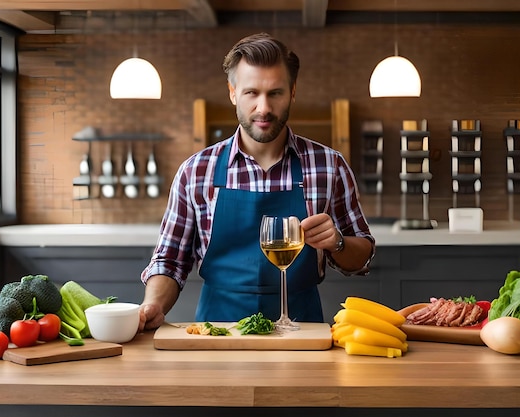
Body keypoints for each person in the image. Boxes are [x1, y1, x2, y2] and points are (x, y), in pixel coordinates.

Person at [138, 32, 375, 330]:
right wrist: (153, 305)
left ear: (292, 92)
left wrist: (338, 242)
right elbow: (169, 262)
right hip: (217, 334)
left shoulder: (329, 166)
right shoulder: (195, 172)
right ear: (233, 92)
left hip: (301, 335)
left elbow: (363, 255)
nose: (263, 108)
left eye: (275, 93)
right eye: (251, 93)